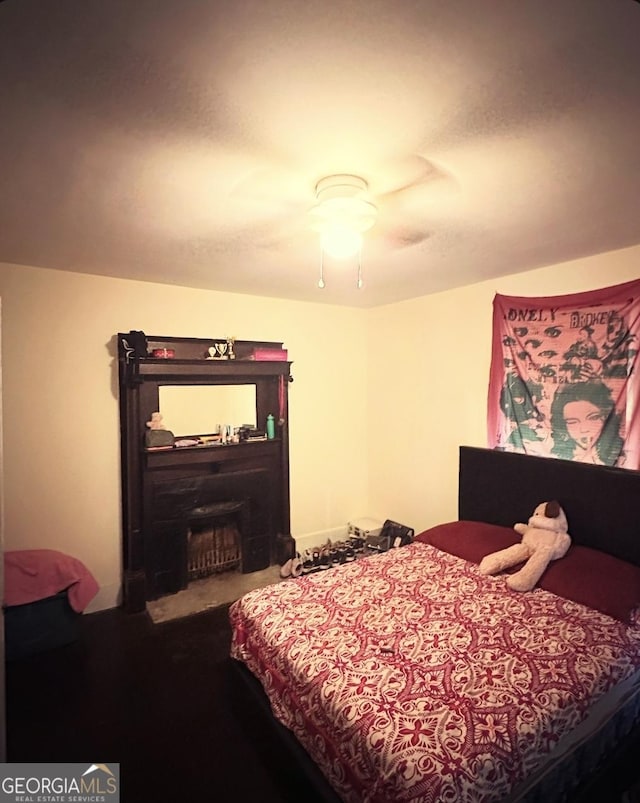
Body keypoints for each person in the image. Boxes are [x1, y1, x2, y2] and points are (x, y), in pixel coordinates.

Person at [550, 380, 624, 465]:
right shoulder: (556, 457)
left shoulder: (622, 456)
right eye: (573, 422)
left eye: (593, 418)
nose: (584, 429)